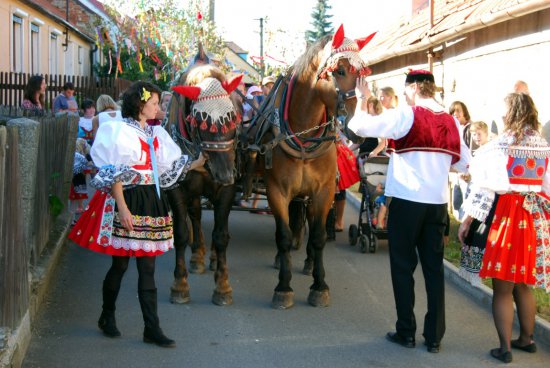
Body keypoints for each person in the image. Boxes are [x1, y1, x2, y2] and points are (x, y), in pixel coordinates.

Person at [68, 81, 206, 348]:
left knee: (148, 266)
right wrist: (122, 208)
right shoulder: (120, 133)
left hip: (151, 201)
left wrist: (198, 162)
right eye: (154, 102)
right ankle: (107, 316)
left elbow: (166, 170)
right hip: (129, 200)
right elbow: (116, 173)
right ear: (141, 105)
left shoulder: (154, 133)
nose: (159, 107)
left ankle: (151, 328)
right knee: (119, 265)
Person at [348, 69, 470, 353]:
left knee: (403, 267)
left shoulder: (407, 114)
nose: (404, 94)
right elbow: (464, 165)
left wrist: (362, 98)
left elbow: (361, 127)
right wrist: (437, 164)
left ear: (415, 87)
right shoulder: (451, 120)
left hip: (406, 200)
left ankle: (406, 331)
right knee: (433, 269)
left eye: (406, 90)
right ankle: (435, 337)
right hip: (437, 204)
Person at [458, 93, 550, 364]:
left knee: (502, 288)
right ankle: (528, 339)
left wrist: (468, 221)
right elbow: (547, 187)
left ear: (509, 114)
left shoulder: (498, 147)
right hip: (532, 217)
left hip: (506, 216)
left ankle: (505, 347)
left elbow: (484, 189)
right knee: (523, 283)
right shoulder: (544, 146)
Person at [457, 121, 490, 287]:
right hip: (476, 196)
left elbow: (485, 181)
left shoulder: (490, 152)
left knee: (478, 234)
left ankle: (477, 274)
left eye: (479, 134)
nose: (476, 138)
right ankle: (470, 272)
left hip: (484, 200)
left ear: (486, 133)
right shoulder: (478, 153)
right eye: (474, 134)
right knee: (471, 234)